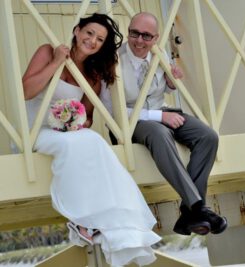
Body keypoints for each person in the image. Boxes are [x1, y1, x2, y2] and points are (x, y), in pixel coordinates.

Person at [23, 13, 161, 266]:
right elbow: (26, 91)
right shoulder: (47, 51)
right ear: (77, 30)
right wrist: (56, 62)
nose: (92, 40)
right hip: (35, 130)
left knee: (95, 140)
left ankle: (117, 221)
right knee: (72, 144)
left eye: (99, 39)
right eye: (89, 33)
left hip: (64, 132)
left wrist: (75, 121)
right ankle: (81, 218)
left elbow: (86, 117)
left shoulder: (92, 74)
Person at [102, 12, 228, 236]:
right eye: (134, 33)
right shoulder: (111, 60)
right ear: (128, 31)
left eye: (147, 36)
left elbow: (163, 90)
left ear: (156, 38)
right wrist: (160, 117)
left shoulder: (158, 55)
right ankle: (199, 208)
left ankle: (188, 213)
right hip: (130, 123)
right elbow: (113, 111)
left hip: (162, 112)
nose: (140, 40)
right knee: (161, 133)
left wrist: (171, 82)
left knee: (208, 136)